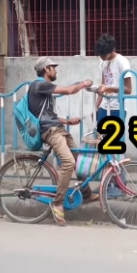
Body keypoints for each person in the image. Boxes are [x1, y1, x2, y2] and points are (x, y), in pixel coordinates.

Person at [29, 57, 94, 226]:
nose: (55, 70)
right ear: (46, 70)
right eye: (53, 67)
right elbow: (69, 91)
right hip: (50, 132)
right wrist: (85, 83)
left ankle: (86, 193)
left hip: (57, 128)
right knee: (68, 162)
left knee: (79, 160)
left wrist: (66, 121)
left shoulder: (44, 90)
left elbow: (47, 115)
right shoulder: (40, 85)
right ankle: (58, 203)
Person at [94, 34, 133, 121]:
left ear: (112, 50)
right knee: (100, 134)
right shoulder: (102, 62)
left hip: (118, 107)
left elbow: (128, 90)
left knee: (114, 134)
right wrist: (95, 107)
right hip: (104, 106)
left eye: (104, 55)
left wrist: (110, 89)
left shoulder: (122, 62)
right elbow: (103, 84)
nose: (101, 57)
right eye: (100, 54)